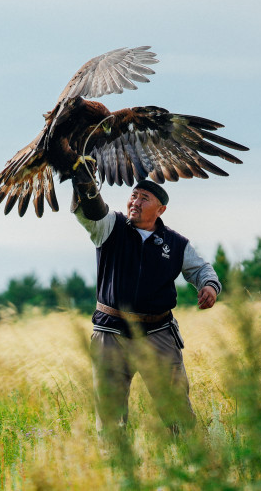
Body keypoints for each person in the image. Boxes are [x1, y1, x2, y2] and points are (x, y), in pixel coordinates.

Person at [70, 163, 221, 433]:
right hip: (111, 333)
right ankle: (114, 459)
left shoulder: (176, 243)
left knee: (177, 411)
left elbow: (201, 269)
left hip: (157, 332)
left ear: (160, 210)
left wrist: (209, 286)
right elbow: (91, 210)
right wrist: (81, 176)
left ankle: (190, 455)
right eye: (133, 196)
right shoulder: (110, 226)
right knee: (110, 416)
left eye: (144, 198)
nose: (135, 202)